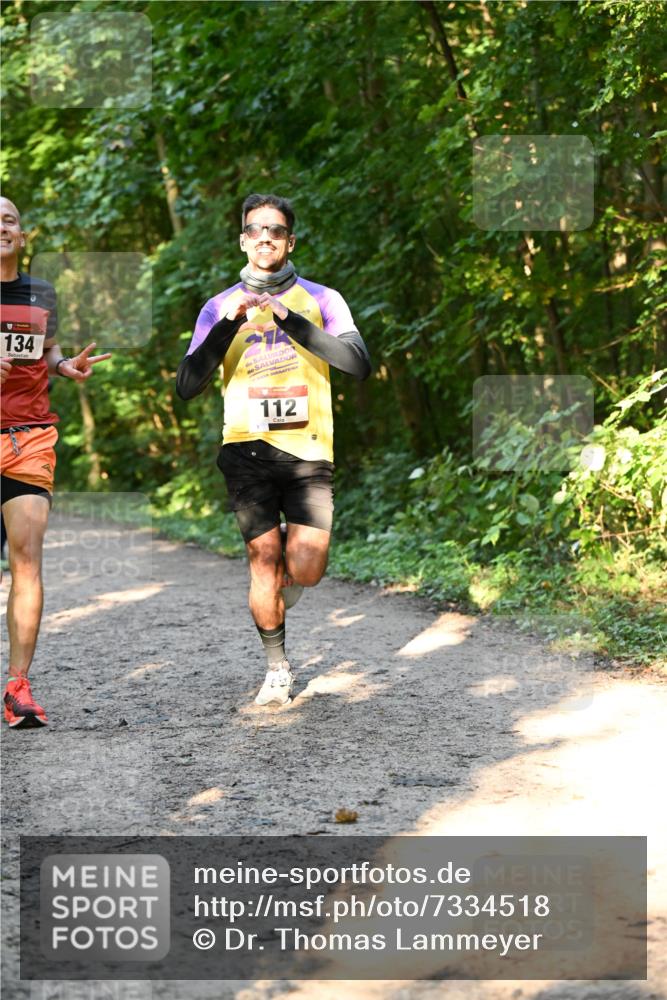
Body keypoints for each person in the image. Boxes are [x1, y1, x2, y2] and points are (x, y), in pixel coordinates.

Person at [176, 193, 371, 706]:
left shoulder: (323, 299)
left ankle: (289, 557)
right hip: (246, 450)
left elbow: (358, 363)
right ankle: (277, 667)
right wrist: (229, 325)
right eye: (256, 230)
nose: (266, 237)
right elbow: (187, 384)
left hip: (308, 451)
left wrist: (289, 320)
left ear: (290, 241)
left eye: (276, 230)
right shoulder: (219, 306)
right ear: (243, 240)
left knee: (306, 568)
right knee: (262, 559)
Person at [1, 196, 110, 728]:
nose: (1, 227)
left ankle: (17, 687)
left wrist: (65, 365)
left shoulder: (41, 293)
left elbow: (46, 351)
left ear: (22, 235)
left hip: (28, 438)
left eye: (9, 220)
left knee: (27, 562)